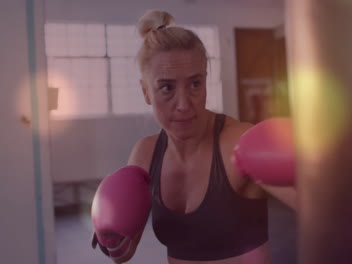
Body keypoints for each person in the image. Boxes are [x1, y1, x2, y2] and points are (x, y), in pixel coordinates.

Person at [97, 9, 297, 264]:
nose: (184, 104)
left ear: (205, 81)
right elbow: (123, 253)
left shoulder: (237, 142)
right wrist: (110, 234)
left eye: (195, 84)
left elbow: (326, 207)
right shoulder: (145, 154)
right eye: (167, 87)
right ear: (146, 92)